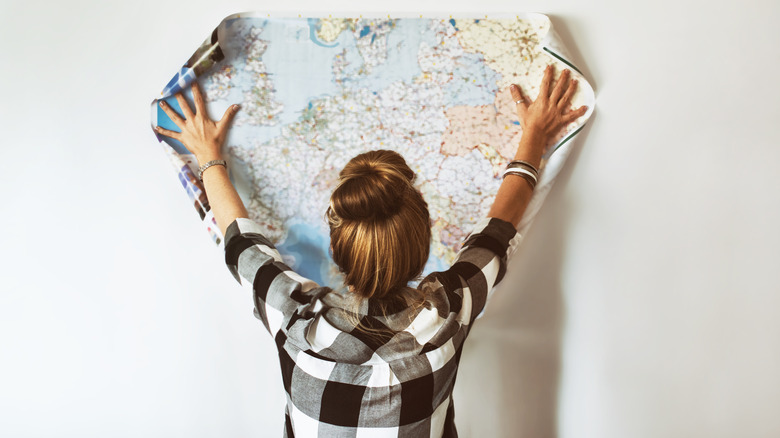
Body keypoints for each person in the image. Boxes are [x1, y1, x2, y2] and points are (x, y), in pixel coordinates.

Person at [156, 64, 586, 438]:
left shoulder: (294, 317)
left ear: (338, 245)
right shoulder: (449, 312)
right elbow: (497, 232)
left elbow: (239, 241)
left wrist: (209, 156)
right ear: (422, 243)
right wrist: (533, 135)